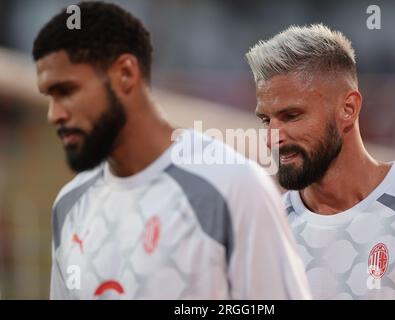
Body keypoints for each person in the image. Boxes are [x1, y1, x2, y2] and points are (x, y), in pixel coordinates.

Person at [32, 2, 310, 300]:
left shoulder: (234, 187)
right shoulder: (69, 205)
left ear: (125, 73)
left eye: (67, 91)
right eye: (49, 97)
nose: (54, 114)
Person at [245, 23, 395, 299]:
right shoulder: (266, 234)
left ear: (348, 108)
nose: (272, 139)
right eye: (266, 121)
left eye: (291, 116)